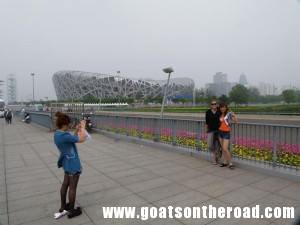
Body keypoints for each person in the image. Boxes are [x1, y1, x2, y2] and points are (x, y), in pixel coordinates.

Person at [54, 111, 86, 219]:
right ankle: (72, 210)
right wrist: (83, 126)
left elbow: (71, 139)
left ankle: (63, 206)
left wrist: (77, 130)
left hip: (66, 163)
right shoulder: (65, 136)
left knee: (65, 184)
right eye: (69, 125)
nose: (69, 126)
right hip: (73, 163)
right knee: (73, 187)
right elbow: (81, 139)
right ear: (65, 124)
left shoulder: (57, 134)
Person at [218, 102, 237, 169]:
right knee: (223, 148)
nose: (222, 108)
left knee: (225, 148)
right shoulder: (220, 114)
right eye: (221, 107)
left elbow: (235, 121)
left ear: (226, 107)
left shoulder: (228, 114)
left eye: (223, 107)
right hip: (220, 132)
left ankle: (230, 163)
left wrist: (234, 115)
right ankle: (225, 162)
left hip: (226, 133)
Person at [205, 100, 221, 165]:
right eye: (212, 104)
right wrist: (206, 129)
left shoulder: (219, 111)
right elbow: (206, 122)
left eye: (215, 104)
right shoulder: (208, 112)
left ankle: (215, 159)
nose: (214, 105)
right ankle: (215, 156)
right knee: (210, 145)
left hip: (218, 131)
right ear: (210, 105)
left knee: (217, 145)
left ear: (217, 104)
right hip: (211, 130)